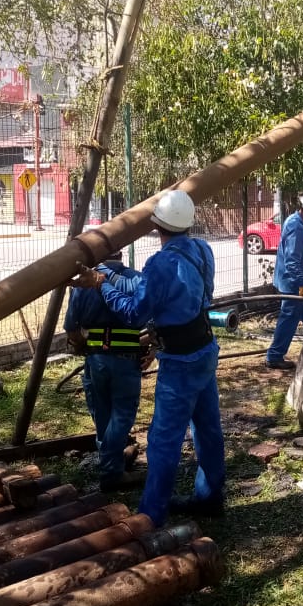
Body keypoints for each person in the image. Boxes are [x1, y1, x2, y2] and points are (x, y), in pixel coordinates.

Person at [75, 190, 224, 526]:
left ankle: (150, 517)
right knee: (208, 429)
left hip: (180, 363)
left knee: (163, 440)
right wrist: (112, 276)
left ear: (157, 227)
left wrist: (101, 284)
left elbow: (135, 311)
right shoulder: (201, 250)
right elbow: (158, 290)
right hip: (204, 352)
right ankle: (210, 497)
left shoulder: (161, 263)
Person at [64, 250, 145, 492]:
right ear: (121, 254)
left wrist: (81, 345)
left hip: (96, 358)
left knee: (102, 413)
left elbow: (71, 328)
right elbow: (149, 317)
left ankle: (112, 459)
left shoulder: (84, 284)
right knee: (122, 414)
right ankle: (112, 471)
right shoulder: (137, 280)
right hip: (127, 359)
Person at [265, 190, 303, 370]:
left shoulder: (298, 223)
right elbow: (292, 261)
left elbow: (301, 247)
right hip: (294, 284)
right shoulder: (297, 227)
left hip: (297, 283)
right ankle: (274, 356)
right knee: (290, 317)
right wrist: (302, 284)